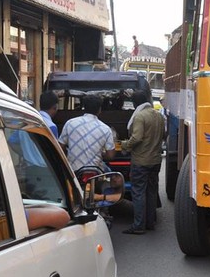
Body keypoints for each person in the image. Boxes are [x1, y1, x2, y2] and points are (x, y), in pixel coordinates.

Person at [122, 90, 165, 235]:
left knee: (138, 192)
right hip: (156, 161)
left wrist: (124, 145)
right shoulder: (158, 115)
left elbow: (137, 138)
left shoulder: (139, 116)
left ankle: (138, 226)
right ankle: (150, 222)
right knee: (151, 191)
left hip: (141, 161)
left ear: (135, 103)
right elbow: (163, 135)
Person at [58, 94, 116, 173]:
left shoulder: (70, 123)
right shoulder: (105, 129)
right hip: (96, 172)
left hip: (73, 171)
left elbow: (60, 147)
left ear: (84, 108)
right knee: (108, 171)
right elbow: (110, 156)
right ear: (99, 110)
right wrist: (101, 154)